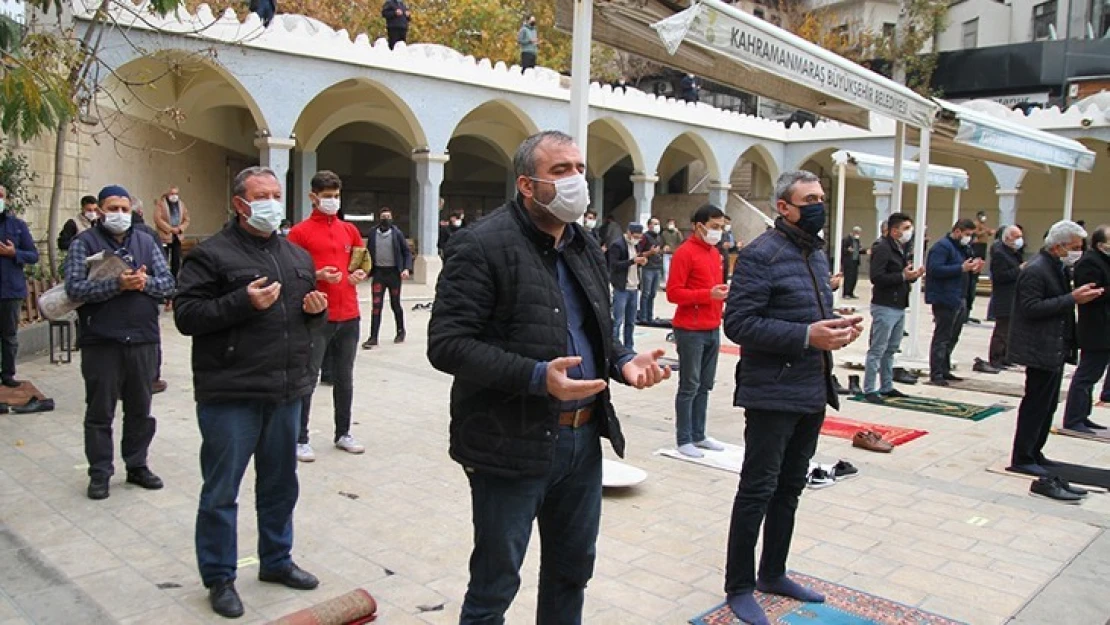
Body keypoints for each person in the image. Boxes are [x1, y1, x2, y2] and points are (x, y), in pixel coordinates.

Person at [427, 130, 670, 624]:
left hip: (582, 442)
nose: (575, 180)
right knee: (496, 582)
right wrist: (537, 377)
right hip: (509, 442)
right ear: (526, 184)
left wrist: (623, 361)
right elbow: (447, 345)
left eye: (579, 168)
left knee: (572, 571)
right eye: (560, 171)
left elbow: (594, 327)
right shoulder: (481, 245)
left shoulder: (583, 245)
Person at [174, 167, 326, 618]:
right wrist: (242, 301)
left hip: (285, 391)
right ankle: (220, 577)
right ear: (240, 204)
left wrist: (315, 312)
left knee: (281, 485)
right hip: (231, 392)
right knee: (222, 490)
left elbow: (300, 318)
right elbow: (187, 315)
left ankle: (276, 560)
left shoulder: (296, 255)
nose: (273, 203)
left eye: (277, 194)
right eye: (263, 195)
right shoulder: (211, 255)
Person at [723, 170, 864, 625]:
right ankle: (739, 585)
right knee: (758, 490)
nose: (819, 205)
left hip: (810, 387)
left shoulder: (815, 255)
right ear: (783, 207)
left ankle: (773, 571)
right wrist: (806, 335)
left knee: (791, 486)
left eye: (822, 197)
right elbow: (739, 324)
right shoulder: (760, 255)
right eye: (810, 199)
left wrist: (836, 326)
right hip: (772, 391)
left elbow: (808, 315)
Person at [64, 185, 175, 500]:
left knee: (141, 409)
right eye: (113, 208)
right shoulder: (83, 244)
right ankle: (100, 472)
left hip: (142, 339)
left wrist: (144, 282)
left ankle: (137, 464)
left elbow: (168, 283)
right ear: (99, 211)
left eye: (125, 209)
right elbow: (74, 289)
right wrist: (116, 284)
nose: (120, 215)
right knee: (100, 410)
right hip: (102, 340)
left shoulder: (145, 240)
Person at [1007, 220, 1103, 479]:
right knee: (1036, 404)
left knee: (1048, 405)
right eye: (1074, 247)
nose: (1077, 252)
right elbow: (1030, 307)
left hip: (1053, 347)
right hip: (1039, 347)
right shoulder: (1037, 270)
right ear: (1058, 246)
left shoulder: (1056, 268)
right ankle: (1023, 456)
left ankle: (1035, 451)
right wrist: (1072, 298)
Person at [287, 171, 368, 462]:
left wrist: (359, 273)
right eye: (327, 196)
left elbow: (362, 262)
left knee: (344, 377)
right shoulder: (300, 233)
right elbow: (290, 273)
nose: (332, 201)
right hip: (317, 314)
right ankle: (300, 436)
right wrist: (316, 275)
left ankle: (343, 432)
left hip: (349, 313)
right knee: (308, 376)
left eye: (336, 196)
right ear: (313, 197)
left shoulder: (350, 231)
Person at [667, 204, 729, 458]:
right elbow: (673, 293)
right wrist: (707, 295)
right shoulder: (685, 253)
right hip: (690, 329)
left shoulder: (714, 253)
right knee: (689, 386)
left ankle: (699, 434)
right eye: (714, 227)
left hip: (713, 326)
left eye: (721, 227)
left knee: (705, 385)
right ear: (698, 226)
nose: (718, 232)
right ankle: (684, 439)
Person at [862, 213, 923, 403]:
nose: (908, 232)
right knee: (877, 349)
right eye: (905, 228)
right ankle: (869, 388)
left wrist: (911, 276)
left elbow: (898, 275)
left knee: (891, 348)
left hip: (898, 303)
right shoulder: (882, 247)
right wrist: (903, 277)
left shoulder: (899, 248)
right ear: (894, 230)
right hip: (885, 304)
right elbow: (877, 277)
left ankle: (886, 385)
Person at [1062, 225, 1110, 433]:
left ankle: (1083, 415)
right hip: (1096, 328)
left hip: (1105, 327)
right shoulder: (1090, 262)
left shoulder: (1104, 260)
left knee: (1093, 375)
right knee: (1086, 375)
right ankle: (1074, 418)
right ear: (1101, 244)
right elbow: (1091, 292)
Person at [925, 218, 983, 386]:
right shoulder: (942, 247)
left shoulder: (963, 248)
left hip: (960, 296)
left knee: (953, 336)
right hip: (945, 297)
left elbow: (965, 269)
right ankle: (936, 373)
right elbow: (935, 269)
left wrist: (973, 269)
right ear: (957, 231)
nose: (969, 238)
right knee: (942, 337)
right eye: (967, 234)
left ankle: (945, 369)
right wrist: (960, 268)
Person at [0, 185, 39, 388]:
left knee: (9, 335)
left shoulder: (17, 226)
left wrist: (14, 253)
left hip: (10, 290)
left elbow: (33, 255)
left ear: (6, 199)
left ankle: (7, 374)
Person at [363, 207, 412, 349]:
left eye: (388, 216)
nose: (385, 219)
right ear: (379, 218)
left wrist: (406, 269)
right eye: (383, 216)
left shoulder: (397, 234)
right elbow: (367, 252)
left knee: (395, 304)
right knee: (376, 306)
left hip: (394, 274)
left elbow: (406, 252)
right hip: (379, 273)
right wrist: (366, 270)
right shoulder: (373, 233)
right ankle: (373, 337)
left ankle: (400, 331)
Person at [987, 225, 1024, 370]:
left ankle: (1006, 356)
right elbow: (999, 276)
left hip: (1014, 296)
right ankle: (996, 358)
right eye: (1016, 237)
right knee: (1002, 330)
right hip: (1004, 297)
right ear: (1007, 238)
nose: (1020, 240)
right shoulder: (1000, 254)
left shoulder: (1014, 252)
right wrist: (1019, 270)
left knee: (1010, 330)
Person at [608, 223, 645, 349]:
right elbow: (614, 265)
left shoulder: (637, 245)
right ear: (628, 233)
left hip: (634, 287)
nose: (637, 239)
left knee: (631, 321)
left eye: (639, 237)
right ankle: (614, 347)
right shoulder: (617, 245)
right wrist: (632, 261)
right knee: (617, 320)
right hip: (621, 288)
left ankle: (629, 347)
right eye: (635, 236)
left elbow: (636, 261)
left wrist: (640, 262)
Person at [154, 186, 191, 278]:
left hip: (177, 237)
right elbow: (158, 219)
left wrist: (180, 228)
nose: (174, 196)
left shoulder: (181, 204)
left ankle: (174, 279)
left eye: (176, 194)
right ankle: (164, 277)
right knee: (164, 258)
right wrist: (170, 229)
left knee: (176, 259)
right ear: (167, 194)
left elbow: (187, 219)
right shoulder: (161, 204)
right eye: (172, 194)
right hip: (165, 237)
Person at [967, 211, 995, 324]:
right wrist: (986, 231)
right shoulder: (976, 224)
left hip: (982, 246)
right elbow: (976, 234)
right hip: (978, 246)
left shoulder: (983, 225)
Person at [636, 216, 664, 322]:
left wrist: (661, 251)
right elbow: (639, 253)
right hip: (647, 268)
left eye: (658, 224)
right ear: (649, 225)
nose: (657, 226)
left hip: (657, 267)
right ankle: (643, 316)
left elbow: (658, 251)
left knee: (653, 294)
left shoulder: (658, 237)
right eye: (654, 224)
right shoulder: (644, 237)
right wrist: (650, 253)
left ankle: (649, 316)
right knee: (646, 293)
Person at [840, 226, 866, 299]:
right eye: (857, 233)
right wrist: (848, 250)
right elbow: (842, 249)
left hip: (855, 261)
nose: (858, 234)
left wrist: (864, 251)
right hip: (848, 261)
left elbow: (858, 250)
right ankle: (846, 293)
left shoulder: (857, 240)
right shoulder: (846, 239)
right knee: (848, 278)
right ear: (854, 232)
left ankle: (851, 292)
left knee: (854, 278)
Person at [660, 217, 685, 284]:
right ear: (667, 224)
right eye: (669, 223)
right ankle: (667, 283)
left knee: (675, 270)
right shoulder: (664, 233)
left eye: (672, 223)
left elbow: (682, 242)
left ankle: (674, 283)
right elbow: (661, 243)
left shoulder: (677, 232)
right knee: (666, 270)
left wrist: (678, 232)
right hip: (667, 253)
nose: (671, 224)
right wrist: (664, 247)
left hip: (675, 253)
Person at [719, 215, 739, 282]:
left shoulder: (727, 233)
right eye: (726, 223)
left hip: (726, 259)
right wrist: (722, 246)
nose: (727, 225)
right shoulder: (717, 233)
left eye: (728, 223)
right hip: (718, 260)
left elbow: (730, 247)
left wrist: (736, 246)